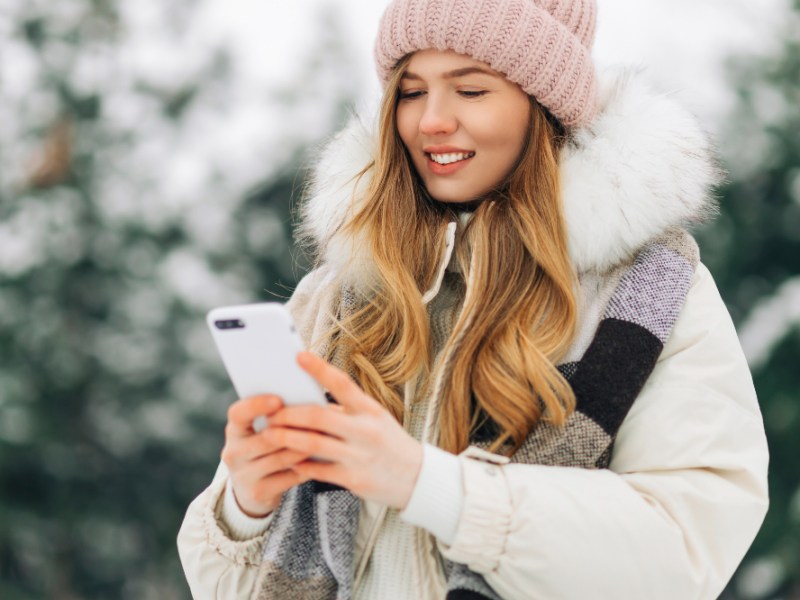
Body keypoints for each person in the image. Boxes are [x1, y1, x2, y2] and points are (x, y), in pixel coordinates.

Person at [177, 0, 769, 598]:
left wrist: (429, 486)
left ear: (543, 104)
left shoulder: (650, 294)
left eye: (471, 90)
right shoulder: (339, 296)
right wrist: (246, 505)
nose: (430, 120)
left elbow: (685, 551)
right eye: (410, 90)